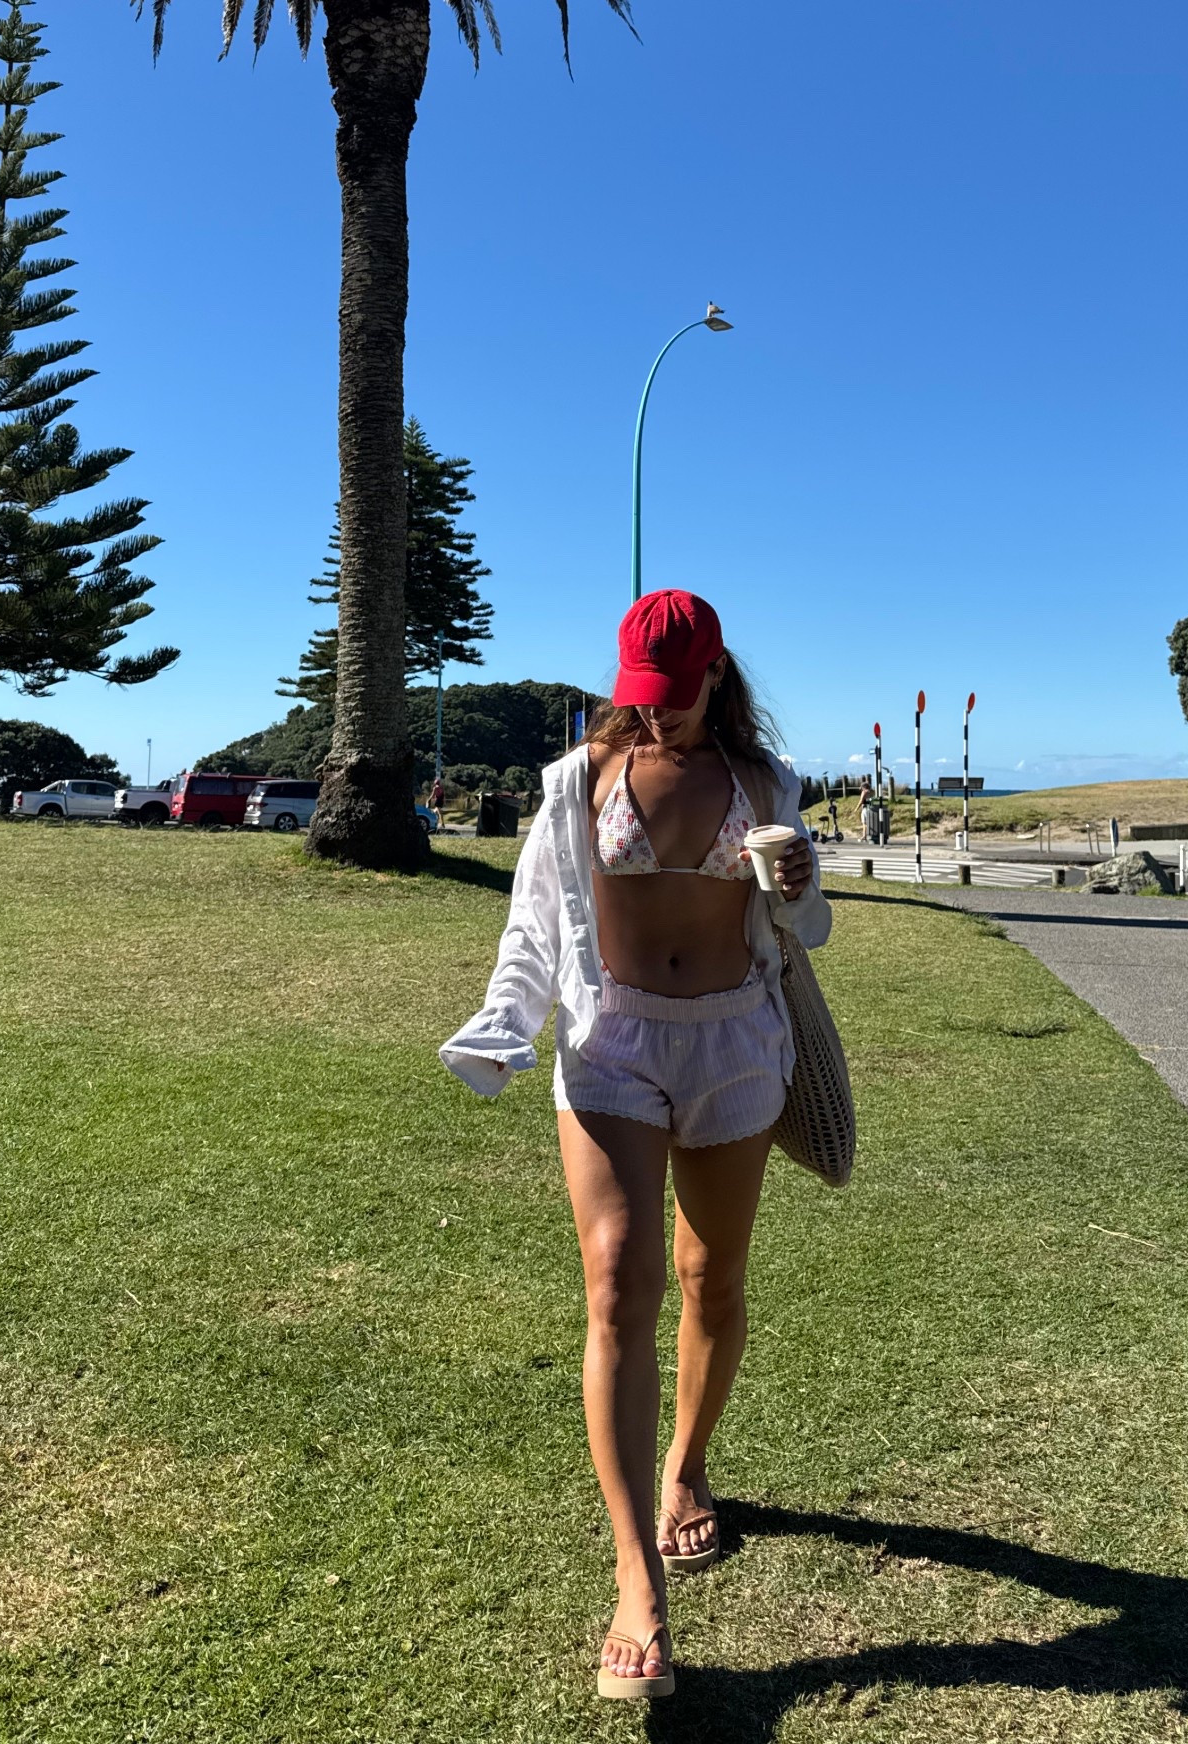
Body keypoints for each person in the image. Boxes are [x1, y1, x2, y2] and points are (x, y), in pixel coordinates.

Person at [440, 590, 829, 1702]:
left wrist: (800, 886)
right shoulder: (579, 780)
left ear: (718, 674)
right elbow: (535, 923)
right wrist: (503, 1026)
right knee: (618, 1281)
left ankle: (688, 1468)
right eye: (641, 696)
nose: (657, 715)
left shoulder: (766, 783)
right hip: (611, 1040)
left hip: (735, 1044)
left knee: (715, 1277)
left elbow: (807, 931)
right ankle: (634, 1574)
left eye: (678, 694)